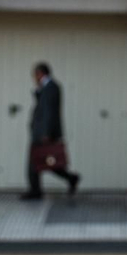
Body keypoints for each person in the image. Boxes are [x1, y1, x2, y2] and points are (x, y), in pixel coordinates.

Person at [22, 62, 80, 200]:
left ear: (40, 73)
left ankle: (35, 190)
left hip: (43, 133)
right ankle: (71, 178)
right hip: (42, 131)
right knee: (47, 162)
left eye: (35, 75)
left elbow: (49, 112)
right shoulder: (45, 88)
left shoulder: (52, 87)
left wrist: (46, 133)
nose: (34, 78)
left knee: (36, 162)